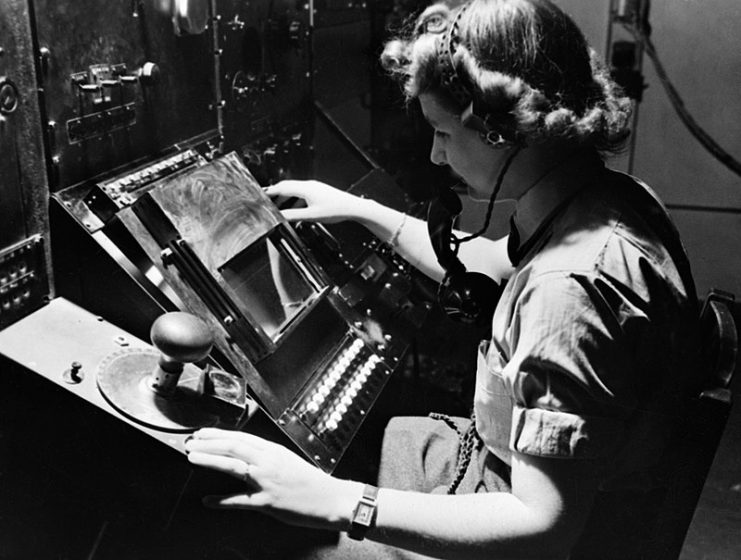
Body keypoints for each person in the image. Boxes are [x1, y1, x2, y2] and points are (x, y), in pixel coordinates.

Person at [185, 1, 701, 558]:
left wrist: (343, 502)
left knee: (248, 532)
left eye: (443, 133)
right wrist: (362, 210)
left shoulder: (567, 290)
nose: (435, 154)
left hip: (527, 523)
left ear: (502, 130)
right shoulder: (610, 201)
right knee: (367, 436)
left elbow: (544, 525)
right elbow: (494, 269)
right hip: (523, 472)